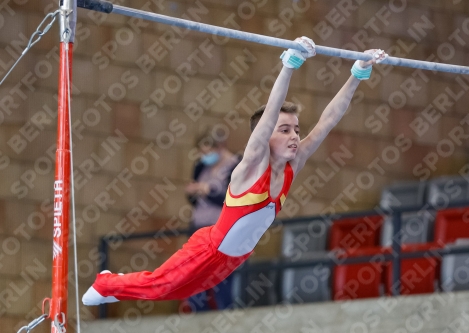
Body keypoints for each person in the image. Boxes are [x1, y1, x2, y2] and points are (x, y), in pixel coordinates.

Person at [82, 36, 387, 306]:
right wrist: (289, 65)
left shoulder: (294, 164)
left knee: (174, 293)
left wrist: (357, 74)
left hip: (233, 259)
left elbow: (327, 121)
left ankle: (114, 283)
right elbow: (267, 117)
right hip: (208, 249)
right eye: (285, 130)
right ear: (265, 137)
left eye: (296, 129)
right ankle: (105, 282)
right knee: (161, 286)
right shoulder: (253, 164)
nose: (295, 136)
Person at [184, 130, 240, 312]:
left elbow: (233, 200)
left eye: (208, 151)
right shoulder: (201, 166)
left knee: (221, 280)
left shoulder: (234, 166)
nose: (204, 156)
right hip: (199, 228)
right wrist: (193, 192)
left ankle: (226, 319)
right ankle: (200, 321)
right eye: (202, 152)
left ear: (220, 147)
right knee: (193, 278)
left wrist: (208, 191)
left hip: (221, 231)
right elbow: (194, 201)